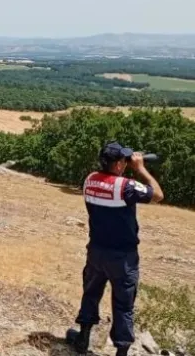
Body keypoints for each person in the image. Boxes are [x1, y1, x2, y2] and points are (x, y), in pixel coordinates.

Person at [72, 142, 164, 356]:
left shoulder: (89, 180)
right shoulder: (126, 187)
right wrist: (140, 168)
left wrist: (125, 165)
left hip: (96, 251)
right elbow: (158, 195)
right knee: (123, 304)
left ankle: (83, 337)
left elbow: (105, 182)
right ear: (118, 165)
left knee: (91, 293)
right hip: (123, 257)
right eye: (123, 160)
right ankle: (121, 350)